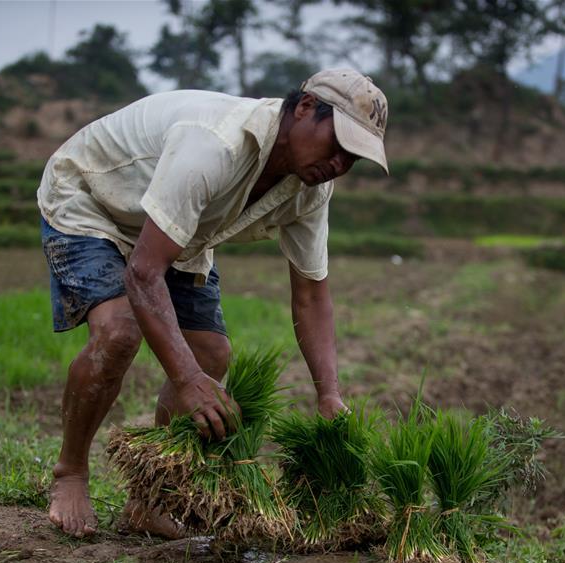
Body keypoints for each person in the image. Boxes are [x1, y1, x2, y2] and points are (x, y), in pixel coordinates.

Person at [38, 68, 389, 538]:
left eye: (354, 158)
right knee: (120, 333)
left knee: (211, 354)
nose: (340, 164)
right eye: (337, 145)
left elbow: (310, 293)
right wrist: (185, 381)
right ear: (305, 108)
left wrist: (329, 393)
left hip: (177, 227)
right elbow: (143, 275)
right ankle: (71, 472)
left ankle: (149, 497)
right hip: (92, 202)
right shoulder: (215, 144)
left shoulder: (310, 189)